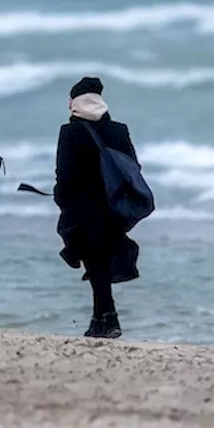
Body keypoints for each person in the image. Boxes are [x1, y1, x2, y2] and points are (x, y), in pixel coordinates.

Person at [53, 77, 142, 339]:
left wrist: (61, 199)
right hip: (114, 207)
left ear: (75, 103)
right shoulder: (119, 130)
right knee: (98, 262)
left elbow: (65, 174)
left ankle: (108, 318)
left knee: (95, 262)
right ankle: (100, 318)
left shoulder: (69, 132)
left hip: (83, 208)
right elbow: (133, 168)